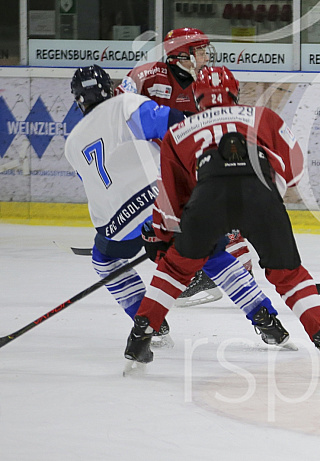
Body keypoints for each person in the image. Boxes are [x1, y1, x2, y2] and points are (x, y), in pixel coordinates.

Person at [124, 66, 320, 378]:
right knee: (289, 274)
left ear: (195, 96)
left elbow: (171, 199)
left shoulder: (178, 132)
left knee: (176, 268)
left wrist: (164, 236)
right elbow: (295, 166)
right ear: (235, 92)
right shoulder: (263, 117)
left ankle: (139, 337)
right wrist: (268, 194)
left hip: (208, 197)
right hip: (261, 191)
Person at [65, 65, 291, 350]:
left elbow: (98, 185)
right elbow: (177, 124)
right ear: (109, 88)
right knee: (210, 252)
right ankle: (265, 318)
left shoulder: (71, 143)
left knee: (104, 259)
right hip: (161, 202)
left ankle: (150, 324)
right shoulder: (125, 104)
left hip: (115, 223)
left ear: (79, 100)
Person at [117, 27, 253, 306]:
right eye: (200, 51)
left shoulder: (209, 82)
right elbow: (116, 107)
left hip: (191, 161)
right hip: (153, 162)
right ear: (180, 55)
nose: (205, 56)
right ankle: (202, 273)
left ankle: (231, 275)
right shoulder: (145, 75)